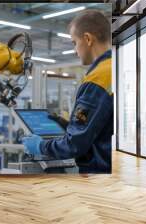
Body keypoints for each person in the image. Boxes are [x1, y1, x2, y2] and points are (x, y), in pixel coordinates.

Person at [22, 10, 113, 173]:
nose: (74, 50)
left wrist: (41, 146)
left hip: (100, 175)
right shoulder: (119, 66)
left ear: (87, 39)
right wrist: (70, 125)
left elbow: (74, 146)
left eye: (74, 42)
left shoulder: (98, 78)